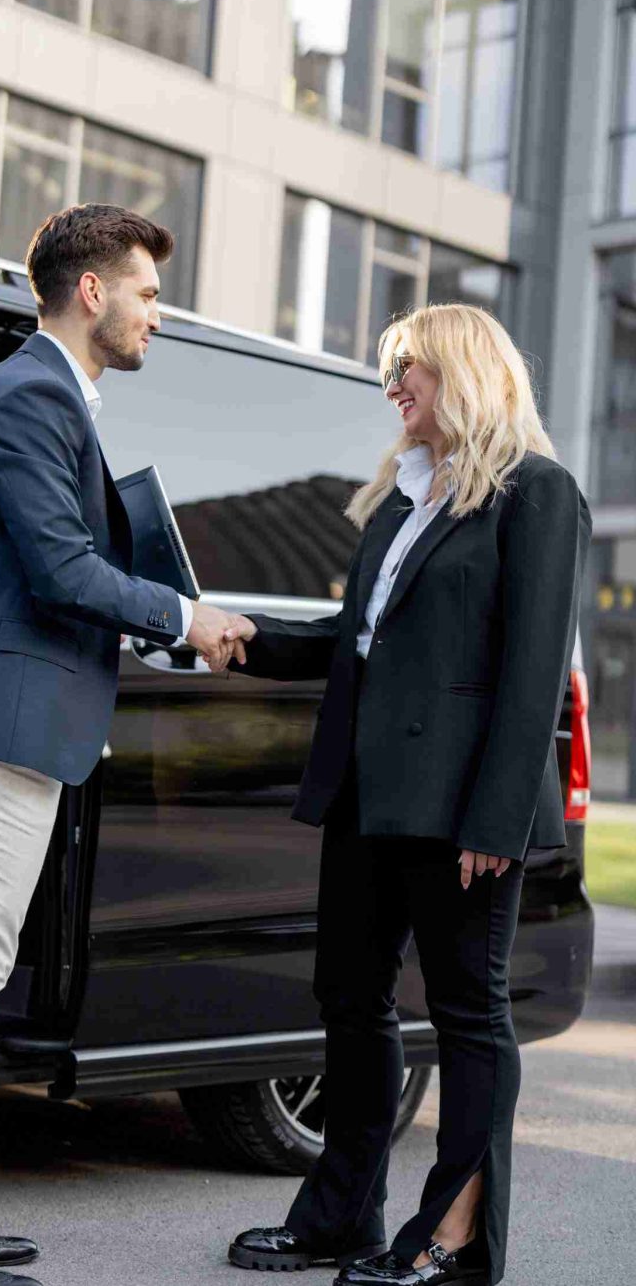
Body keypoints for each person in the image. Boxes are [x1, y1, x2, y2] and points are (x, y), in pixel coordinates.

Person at [0, 203, 239, 1286]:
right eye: (148, 294)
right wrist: (183, 615)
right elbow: (60, 568)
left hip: (9, 717)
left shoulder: (50, 393)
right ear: (91, 291)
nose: (158, 316)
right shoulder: (31, 394)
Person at [218, 304, 590, 1286]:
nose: (393, 391)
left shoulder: (536, 494)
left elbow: (531, 674)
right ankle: (340, 1216)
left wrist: (495, 818)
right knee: (350, 1000)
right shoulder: (398, 501)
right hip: (369, 797)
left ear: (462, 373)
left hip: (462, 806)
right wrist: (231, 632)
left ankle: (450, 1240)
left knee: (468, 1018)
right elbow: (353, 641)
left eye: (407, 372)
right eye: (390, 374)